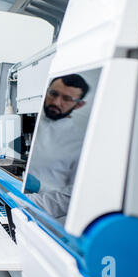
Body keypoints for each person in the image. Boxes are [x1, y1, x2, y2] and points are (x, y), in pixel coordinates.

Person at [25, 74, 89, 219]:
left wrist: (39, 187)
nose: (56, 102)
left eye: (66, 99)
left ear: (79, 104)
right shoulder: (27, 120)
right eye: (53, 94)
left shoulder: (81, 143)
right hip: (9, 198)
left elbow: (71, 196)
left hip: (42, 216)